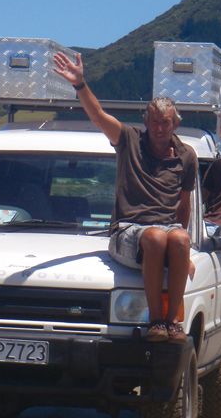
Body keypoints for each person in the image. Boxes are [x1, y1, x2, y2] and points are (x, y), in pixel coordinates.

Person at [53, 51, 196, 343]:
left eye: (165, 122)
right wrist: (80, 85)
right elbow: (98, 117)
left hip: (166, 231)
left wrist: (185, 253)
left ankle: (172, 323)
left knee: (179, 239)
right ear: (145, 120)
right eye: (153, 121)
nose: (158, 128)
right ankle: (155, 321)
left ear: (175, 124)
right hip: (128, 231)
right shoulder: (129, 140)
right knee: (155, 237)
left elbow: (185, 205)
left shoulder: (187, 156)